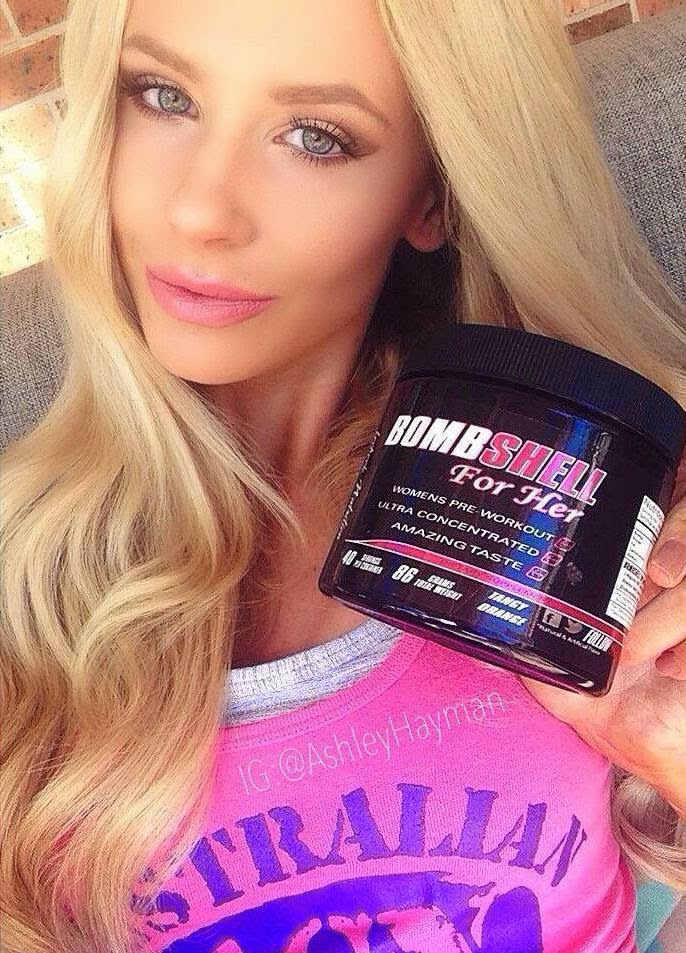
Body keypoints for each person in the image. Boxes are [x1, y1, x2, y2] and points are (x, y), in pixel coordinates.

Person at [1, 0, 686, 951]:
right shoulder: (25, 584)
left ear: (430, 196)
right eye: (163, 96)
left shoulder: (577, 513)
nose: (199, 209)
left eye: (316, 137)